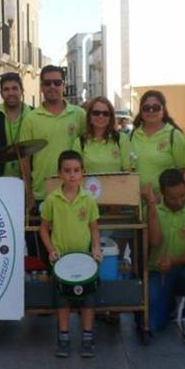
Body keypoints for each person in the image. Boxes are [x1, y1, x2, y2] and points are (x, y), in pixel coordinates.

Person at [39, 150, 102, 358]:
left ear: (83, 173)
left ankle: (88, 337)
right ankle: (64, 337)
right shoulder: (52, 199)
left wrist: (96, 248)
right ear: (59, 173)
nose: (72, 175)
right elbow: (43, 228)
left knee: (88, 300)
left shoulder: (89, 199)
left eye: (76, 170)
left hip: (84, 258)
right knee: (63, 300)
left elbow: (94, 228)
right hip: (61, 261)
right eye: (67, 171)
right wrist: (51, 250)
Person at [144, 169, 185, 344]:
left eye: (183, 195)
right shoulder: (153, 209)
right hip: (158, 272)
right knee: (153, 324)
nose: (180, 201)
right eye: (173, 198)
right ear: (163, 193)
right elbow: (155, 242)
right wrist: (151, 205)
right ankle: (170, 305)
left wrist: (173, 261)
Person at [72, 96, 132, 261]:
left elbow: (127, 172)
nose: (101, 117)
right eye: (96, 112)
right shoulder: (80, 142)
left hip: (116, 207)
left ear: (111, 117)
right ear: (89, 116)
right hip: (88, 206)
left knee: (113, 256)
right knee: (89, 253)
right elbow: (75, 173)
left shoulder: (122, 140)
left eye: (105, 113)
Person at [18, 65, 86, 208]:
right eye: (47, 83)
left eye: (57, 82)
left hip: (75, 192)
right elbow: (24, 160)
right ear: (41, 87)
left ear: (63, 86)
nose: (52, 86)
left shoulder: (79, 115)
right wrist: (29, 192)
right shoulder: (31, 119)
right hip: (42, 193)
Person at [129, 90, 185, 196]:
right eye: (146, 108)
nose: (151, 111)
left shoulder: (174, 135)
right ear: (141, 110)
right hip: (136, 198)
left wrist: (168, 196)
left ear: (163, 109)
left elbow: (183, 171)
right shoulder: (132, 135)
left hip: (164, 202)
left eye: (156, 107)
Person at [0, 72, 33, 176]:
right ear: (1, 93)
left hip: (29, 178)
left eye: (14, 88)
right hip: (0, 179)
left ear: (22, 91)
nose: (10, 93)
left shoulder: (34, 114)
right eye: (6, 89)